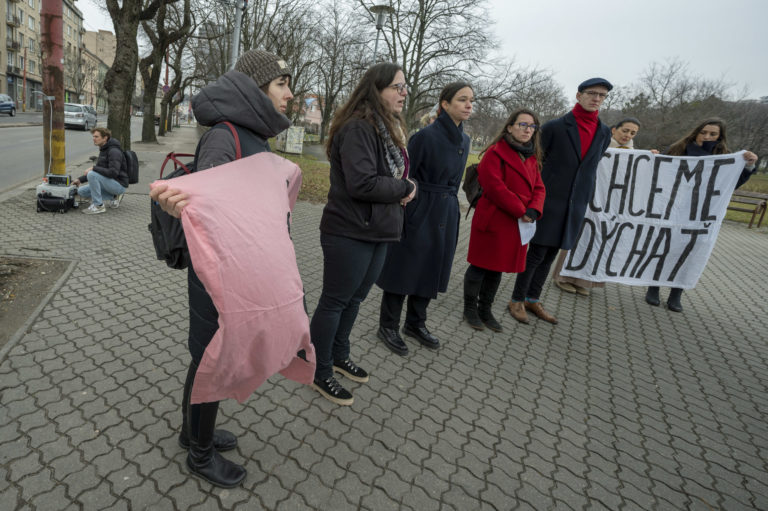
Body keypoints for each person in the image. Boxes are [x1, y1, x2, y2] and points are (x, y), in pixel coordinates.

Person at [150, 49, 294, 488]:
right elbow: (209, 217)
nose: (289, 94)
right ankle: (199, 453)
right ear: (256, 88)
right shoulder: (224, 135)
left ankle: (191, 433)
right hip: (218, 274)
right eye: (281, 84)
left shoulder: (253, 135)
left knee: (208, 356)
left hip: (238, 269)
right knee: (209, 358)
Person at [309, 63, 417, 406]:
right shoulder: (359, 127)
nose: (404, 93)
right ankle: (318, 369)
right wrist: (405, 187)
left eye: (405, 87)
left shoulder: (386, 128)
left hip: (377, 230)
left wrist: (402, 188)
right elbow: (363, 183)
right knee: (335, 301)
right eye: (397, 87)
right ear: (377, 89)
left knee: (355, 299)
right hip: (349, 230)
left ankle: (339, 355)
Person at [376, 82, 473, 355]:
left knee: (432, 265)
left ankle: (415, 323)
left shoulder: (465, 140)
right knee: (404, 266)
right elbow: (406, 174)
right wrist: (410, 207)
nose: (468, 105)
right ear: (445, 103)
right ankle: (388, 325)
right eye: (462, 99)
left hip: (446, 210)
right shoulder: (424, 137)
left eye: (471, 100)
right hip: (419, 207)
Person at [508, 78, 613, 325]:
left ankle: (533, 299)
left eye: (602, 95)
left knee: (550, 255)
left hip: (575, 204)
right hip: (548, 200)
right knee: (536, 253)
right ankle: (517, 299)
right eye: (592, 93)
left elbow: (590, 166)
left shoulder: (604, 132)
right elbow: (535, 162)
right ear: (579, 95)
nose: (596, 98)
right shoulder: (555, 127)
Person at [645, 118, 758, 312]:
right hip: (674, 208)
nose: (707, 137)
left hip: (702, 214)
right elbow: (660, 172)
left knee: (690, 252)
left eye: (713, 134)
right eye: (703, 132)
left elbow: (731, 184)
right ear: (696, 132)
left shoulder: (725, 157)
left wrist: (748, 166)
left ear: (720, 137)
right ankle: (654, 287)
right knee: (666, 248)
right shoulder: (679, 149)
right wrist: (653, 158)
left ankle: (676, 293)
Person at [463, 109, 545, 331]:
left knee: (497, 268)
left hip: (515, 223)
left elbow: (539, 187)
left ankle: (485, 309)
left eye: (532, 126)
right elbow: (494, 187)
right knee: (480, 266)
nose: (527, 130)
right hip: (494, 218)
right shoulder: (495, 152)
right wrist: (521, 210)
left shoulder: (531, 156)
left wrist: (534, 209)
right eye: (522, 125)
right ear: (510, 127)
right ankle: (470, 309)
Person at [552, 117, 646, 295]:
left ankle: (584, 280)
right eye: (625, 130)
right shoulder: (600, 146)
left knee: (598, 241)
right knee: (578, 236)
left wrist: (652, 158)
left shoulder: (634, 155)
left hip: (610, 206)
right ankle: (563, 277)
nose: (628, 135)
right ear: (614, 130)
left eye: (633, 133)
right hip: (590, 199)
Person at [73, 127, 127, 214]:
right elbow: (99, 171)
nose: (93, 139)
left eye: (96, 136)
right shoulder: (104, 149)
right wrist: (80, 180)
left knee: (92, 174)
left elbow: (113, 172)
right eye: (93, 136)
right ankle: (114, 196)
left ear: (105, 138)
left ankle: (98, 205)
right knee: (81, 191)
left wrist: (94, 168)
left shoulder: (114, 151)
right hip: (109, 183)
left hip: (119, 184)